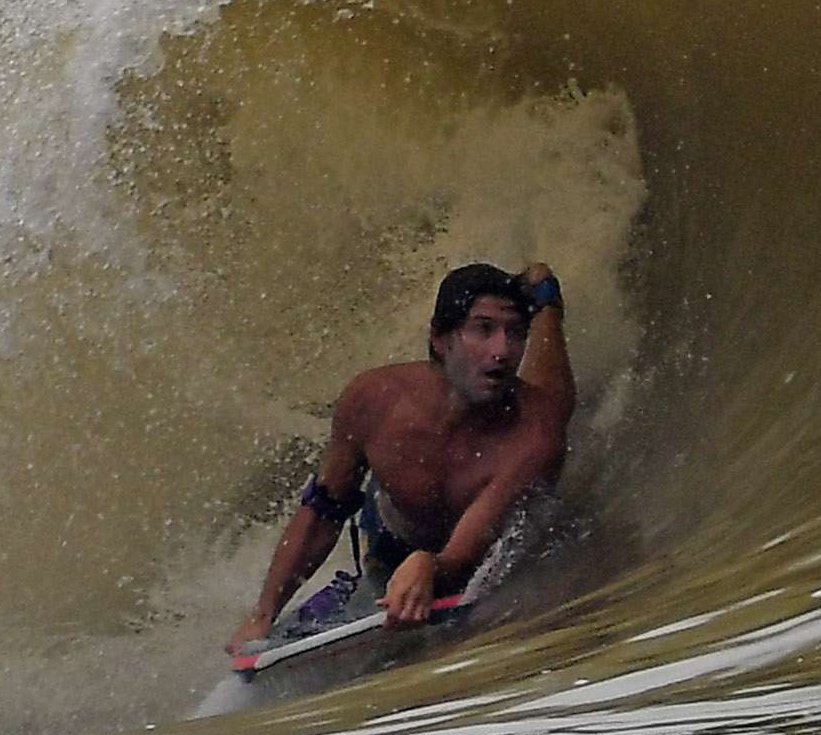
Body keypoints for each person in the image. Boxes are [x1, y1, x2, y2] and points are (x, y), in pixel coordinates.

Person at [232, 260, 575, 654]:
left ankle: (546, 302)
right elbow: (324, 510)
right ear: (440, 339)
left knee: (553, 401)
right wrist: (264, 613)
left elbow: (463, 561)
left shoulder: (535, 434)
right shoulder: (374, 399)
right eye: (483, 329)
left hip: (473, 545)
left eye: (515, 333)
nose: (502, 350)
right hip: (393, 525)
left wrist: (432, 564)